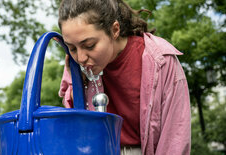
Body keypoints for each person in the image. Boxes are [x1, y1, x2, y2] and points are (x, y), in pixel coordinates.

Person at [57, 0, 191, 155]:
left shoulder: (161, 61)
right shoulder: (76, 65)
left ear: (114, 30)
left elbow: (175, 139)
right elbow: (77, 126)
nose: (80, 57)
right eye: (72, 48)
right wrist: (75, 86)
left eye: (89, 45)